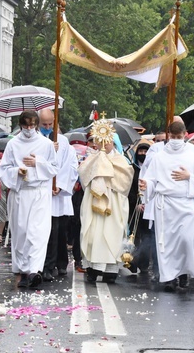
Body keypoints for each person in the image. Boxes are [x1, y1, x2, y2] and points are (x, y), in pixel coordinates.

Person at [140, 121, 194, 291]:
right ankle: (169, 277)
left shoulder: (192, 153)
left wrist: (188, 176)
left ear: (185, 135)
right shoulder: (159, 156)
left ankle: (184, 273)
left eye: (179, 137)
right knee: (167, 244)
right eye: (173, 137)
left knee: (186, 240)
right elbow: (152, 179)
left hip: (185, 202)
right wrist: (146, 185)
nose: (176, 140)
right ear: (168, 136)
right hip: (166, 205)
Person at [0, 110, 58, 288]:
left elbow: (54, 168)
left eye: (32, 125)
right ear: (21, 125)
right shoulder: (13, 144)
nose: (29, 128)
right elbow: (4, 168)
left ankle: (35, 270)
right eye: (26, 125)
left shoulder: (46, 144)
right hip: (20, 192)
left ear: (37, 125)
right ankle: (22, 270)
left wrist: (37, 163)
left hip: (39, 192)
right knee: (21, 231)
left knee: (37, 232)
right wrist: (17, 171)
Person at [80, 119, 134, 283]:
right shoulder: (92, 159)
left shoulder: (121, 160)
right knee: (94, 233)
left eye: (108, 141)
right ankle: (93, 267)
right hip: (94, 202)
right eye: (100, 140)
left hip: (115, 202)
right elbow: (83, 174)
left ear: (113, 141)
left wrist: (108, 173)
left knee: (113, 232)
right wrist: (97, 169)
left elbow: (126, 178)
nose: (105, 144)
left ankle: (111, 269)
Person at [38, 109, 78, 281]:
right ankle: (45, 265)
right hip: (41, 192)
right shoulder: (37, 141)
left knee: (58, 231)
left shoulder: (63, 141)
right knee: (47, 232)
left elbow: (70, 166)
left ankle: (57, 264)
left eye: (50, 124)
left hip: (58, 195)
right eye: (44, 125)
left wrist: (60, 186)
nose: (47, 127)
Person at [126, 141, 154, 275]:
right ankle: (132, 260)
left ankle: (144, 264)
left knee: (147, 236)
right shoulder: (132, 168)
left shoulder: (152, 168)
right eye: (140, 151)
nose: (143, 154)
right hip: (135, 207)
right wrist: (136, 203)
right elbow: (129, 189)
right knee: (135, 235)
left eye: (145, 152)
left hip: (149, 207)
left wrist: (146, 203)